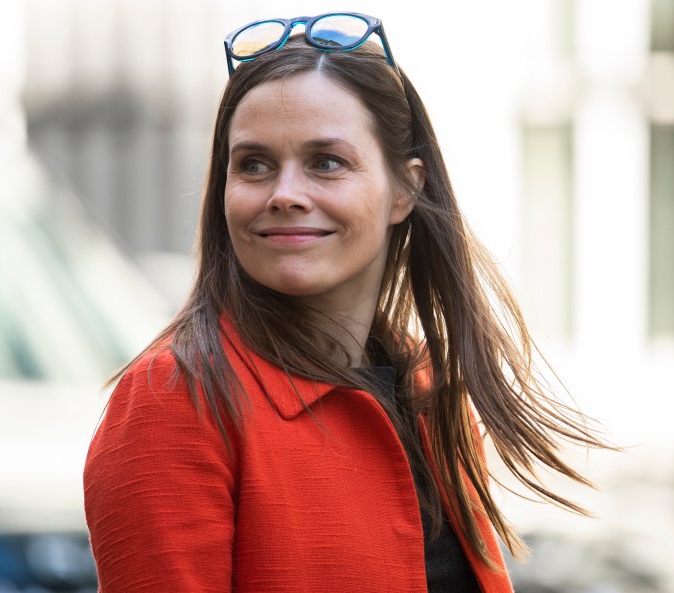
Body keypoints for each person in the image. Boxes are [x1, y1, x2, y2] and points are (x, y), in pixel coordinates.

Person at [84, 12, 607, 593]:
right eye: (254, 165)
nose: (284, 194)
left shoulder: (429, 387)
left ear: (406, 189)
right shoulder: (175, 401)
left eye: (325, 162)